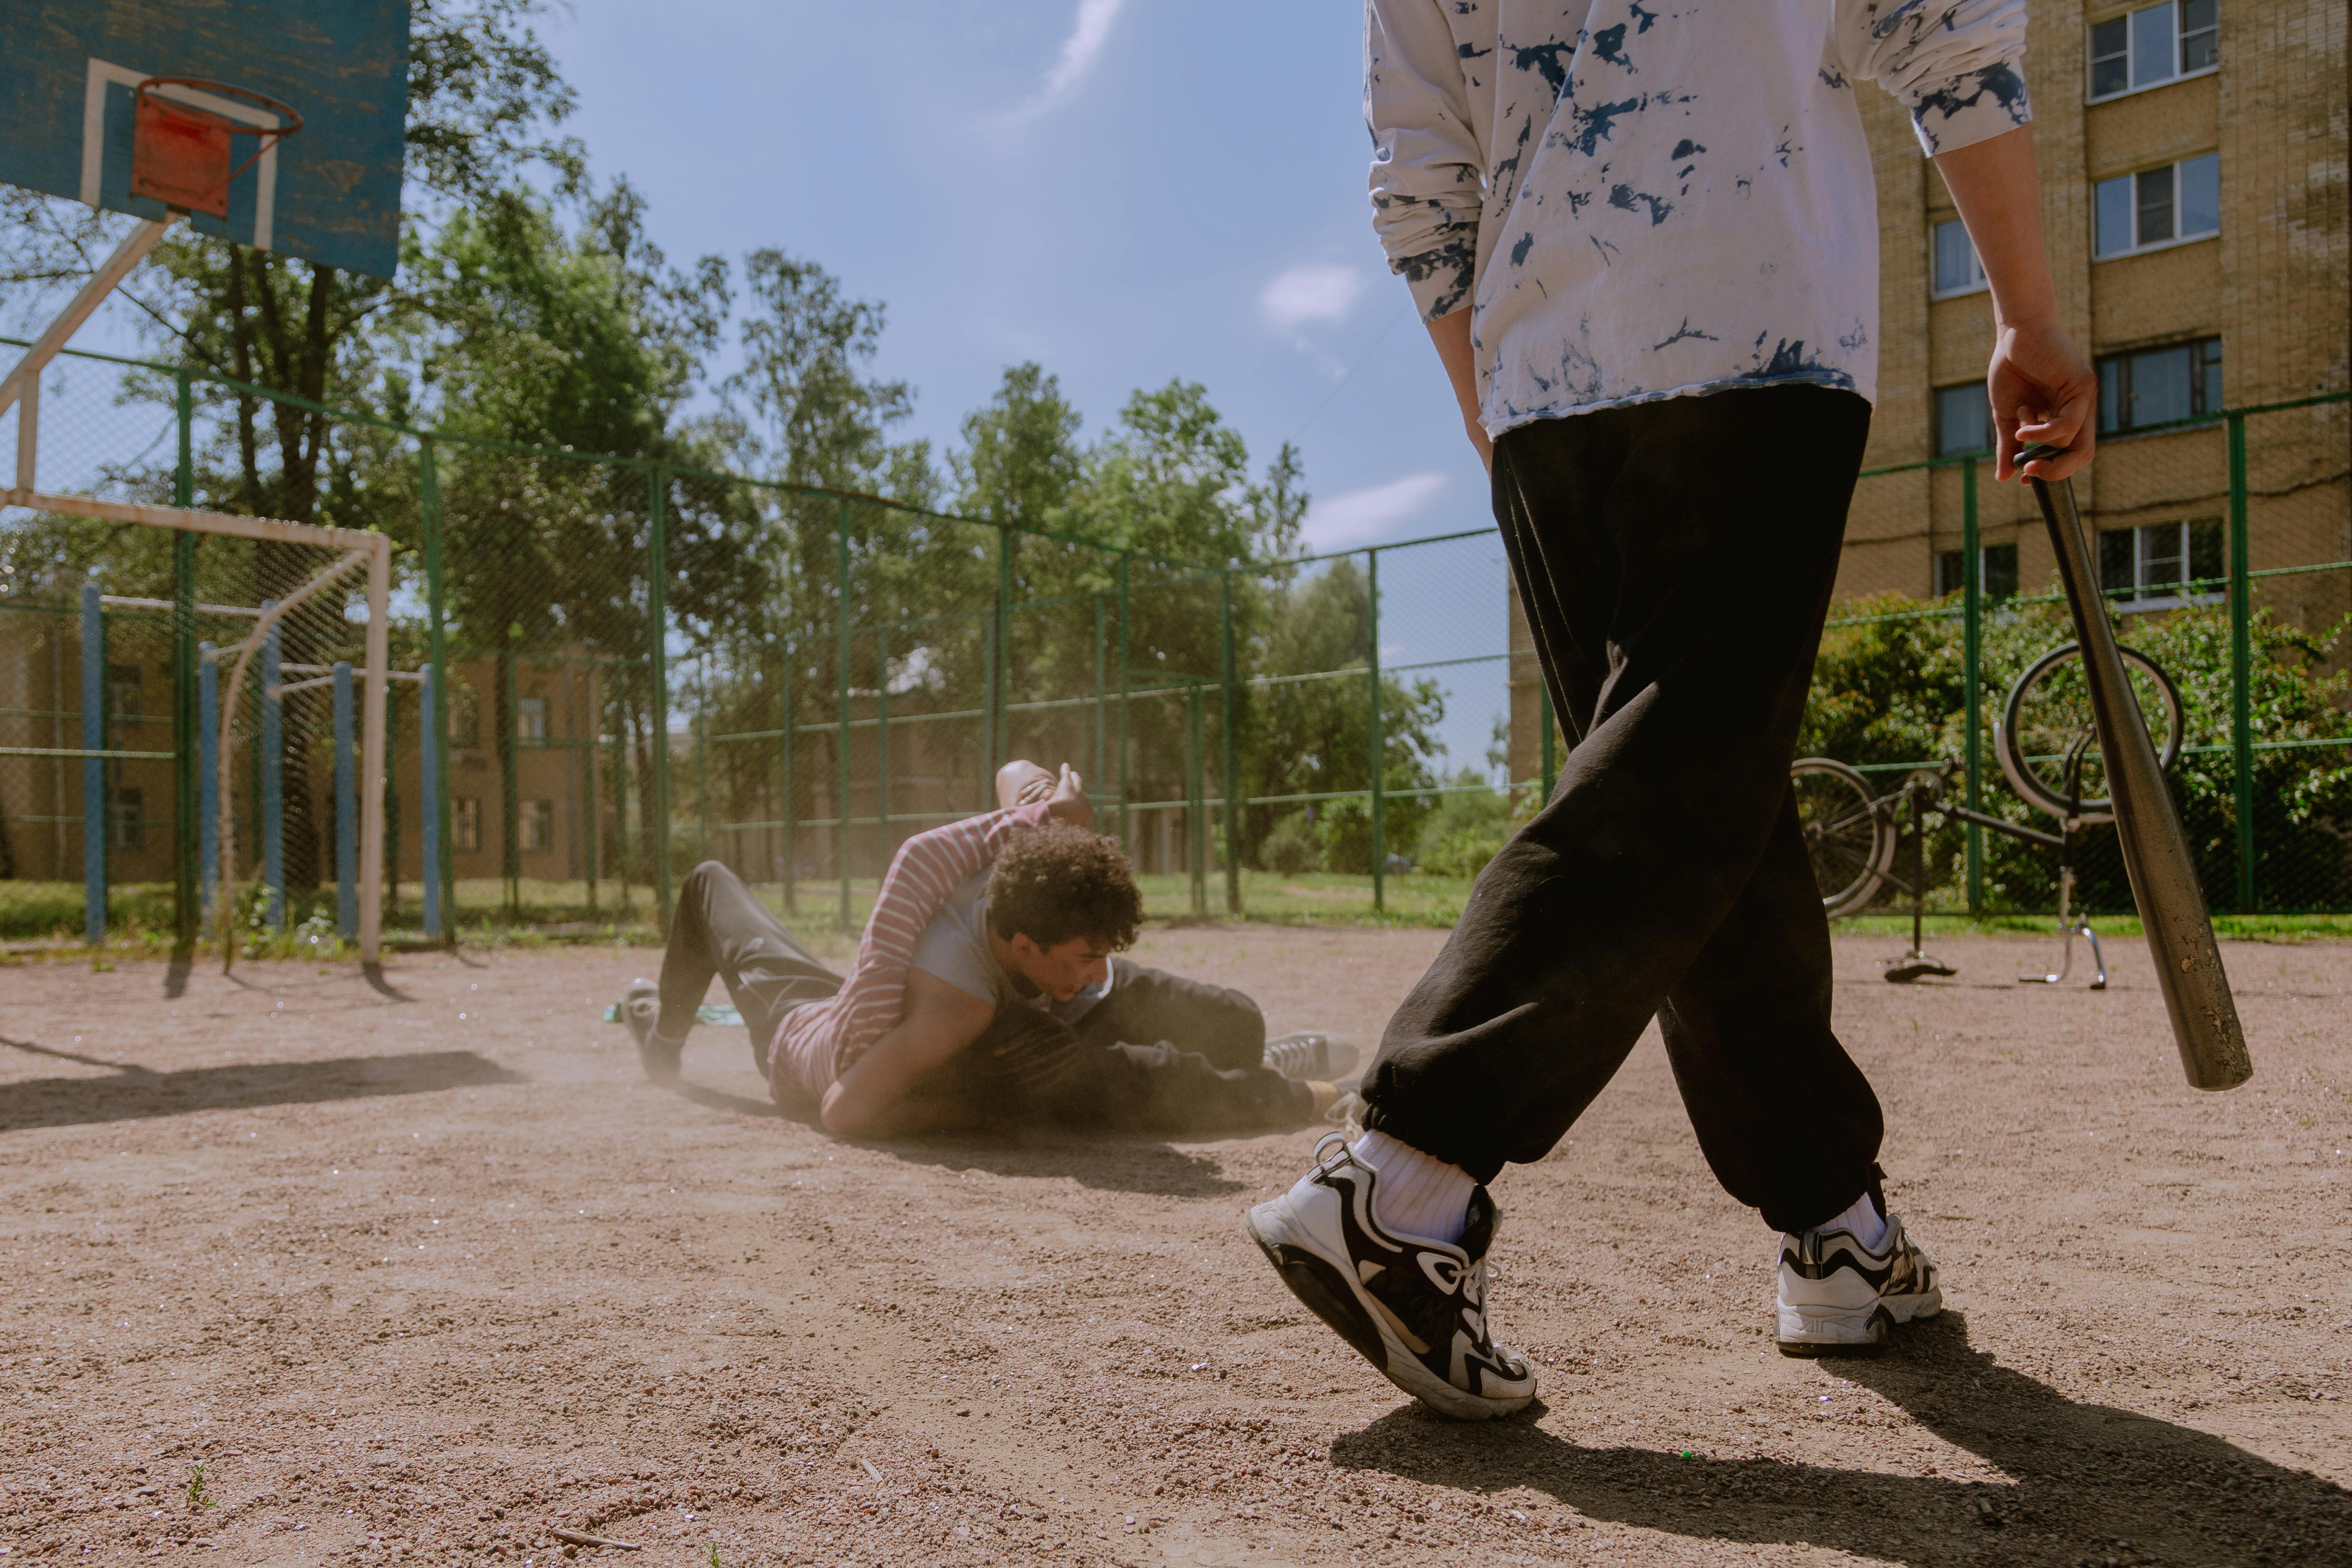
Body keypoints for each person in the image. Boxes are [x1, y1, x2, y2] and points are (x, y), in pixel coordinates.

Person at [1246, 0, 2095, 1419]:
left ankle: (1834, 1220)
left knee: (1702, 794)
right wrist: (2028, 315)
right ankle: (1402, 1174)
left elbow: (1419, 169)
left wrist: (1491, 400)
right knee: (1688, 780)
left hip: (1537, 382)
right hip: (1752, 316)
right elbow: (1947, 31)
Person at [616, 761, 1352, 1138]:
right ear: (1025, 944)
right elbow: (842, 1112)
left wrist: (1047, 802)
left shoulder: (1022, 863)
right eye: (1081, 959)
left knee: (1238, 1024)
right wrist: (969, 1105)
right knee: (709, 881)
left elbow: (1011, 770)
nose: (1095, 976)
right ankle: (663, 1035)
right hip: (807, 1031)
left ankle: (1254, 1063)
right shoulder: (956, 1010)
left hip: (910, 1003)